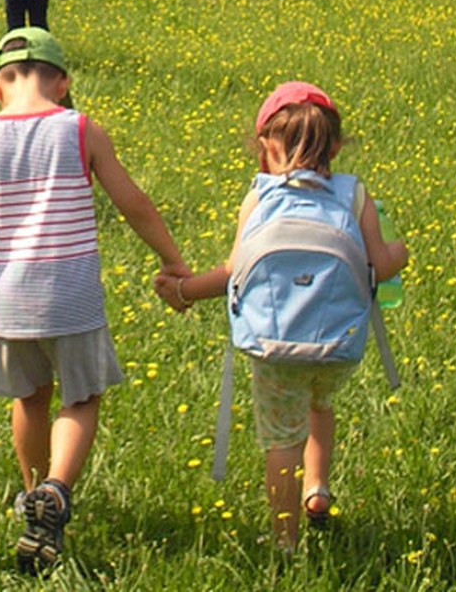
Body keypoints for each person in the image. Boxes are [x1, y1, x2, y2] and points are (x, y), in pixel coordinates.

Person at [0, 27, 189, 575]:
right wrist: (173, 260)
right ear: (63, 83)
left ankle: (33, 498)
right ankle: (57, 489)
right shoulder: (79, 128)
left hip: (9, 299)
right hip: (70, 294)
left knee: (28, 398)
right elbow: (133, 203)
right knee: (82, 398)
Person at [154, 81, 408, 551]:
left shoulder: (259, 197)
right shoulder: (354, 195)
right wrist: (401, 252)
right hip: (338, 344)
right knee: (319, 404)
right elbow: (379, 266)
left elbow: (232, 272)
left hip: (271, 347)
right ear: (336, 146)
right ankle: (318, 488)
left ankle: (285, 542)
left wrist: (184, 290)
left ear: (265, 146)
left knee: (282, 440)